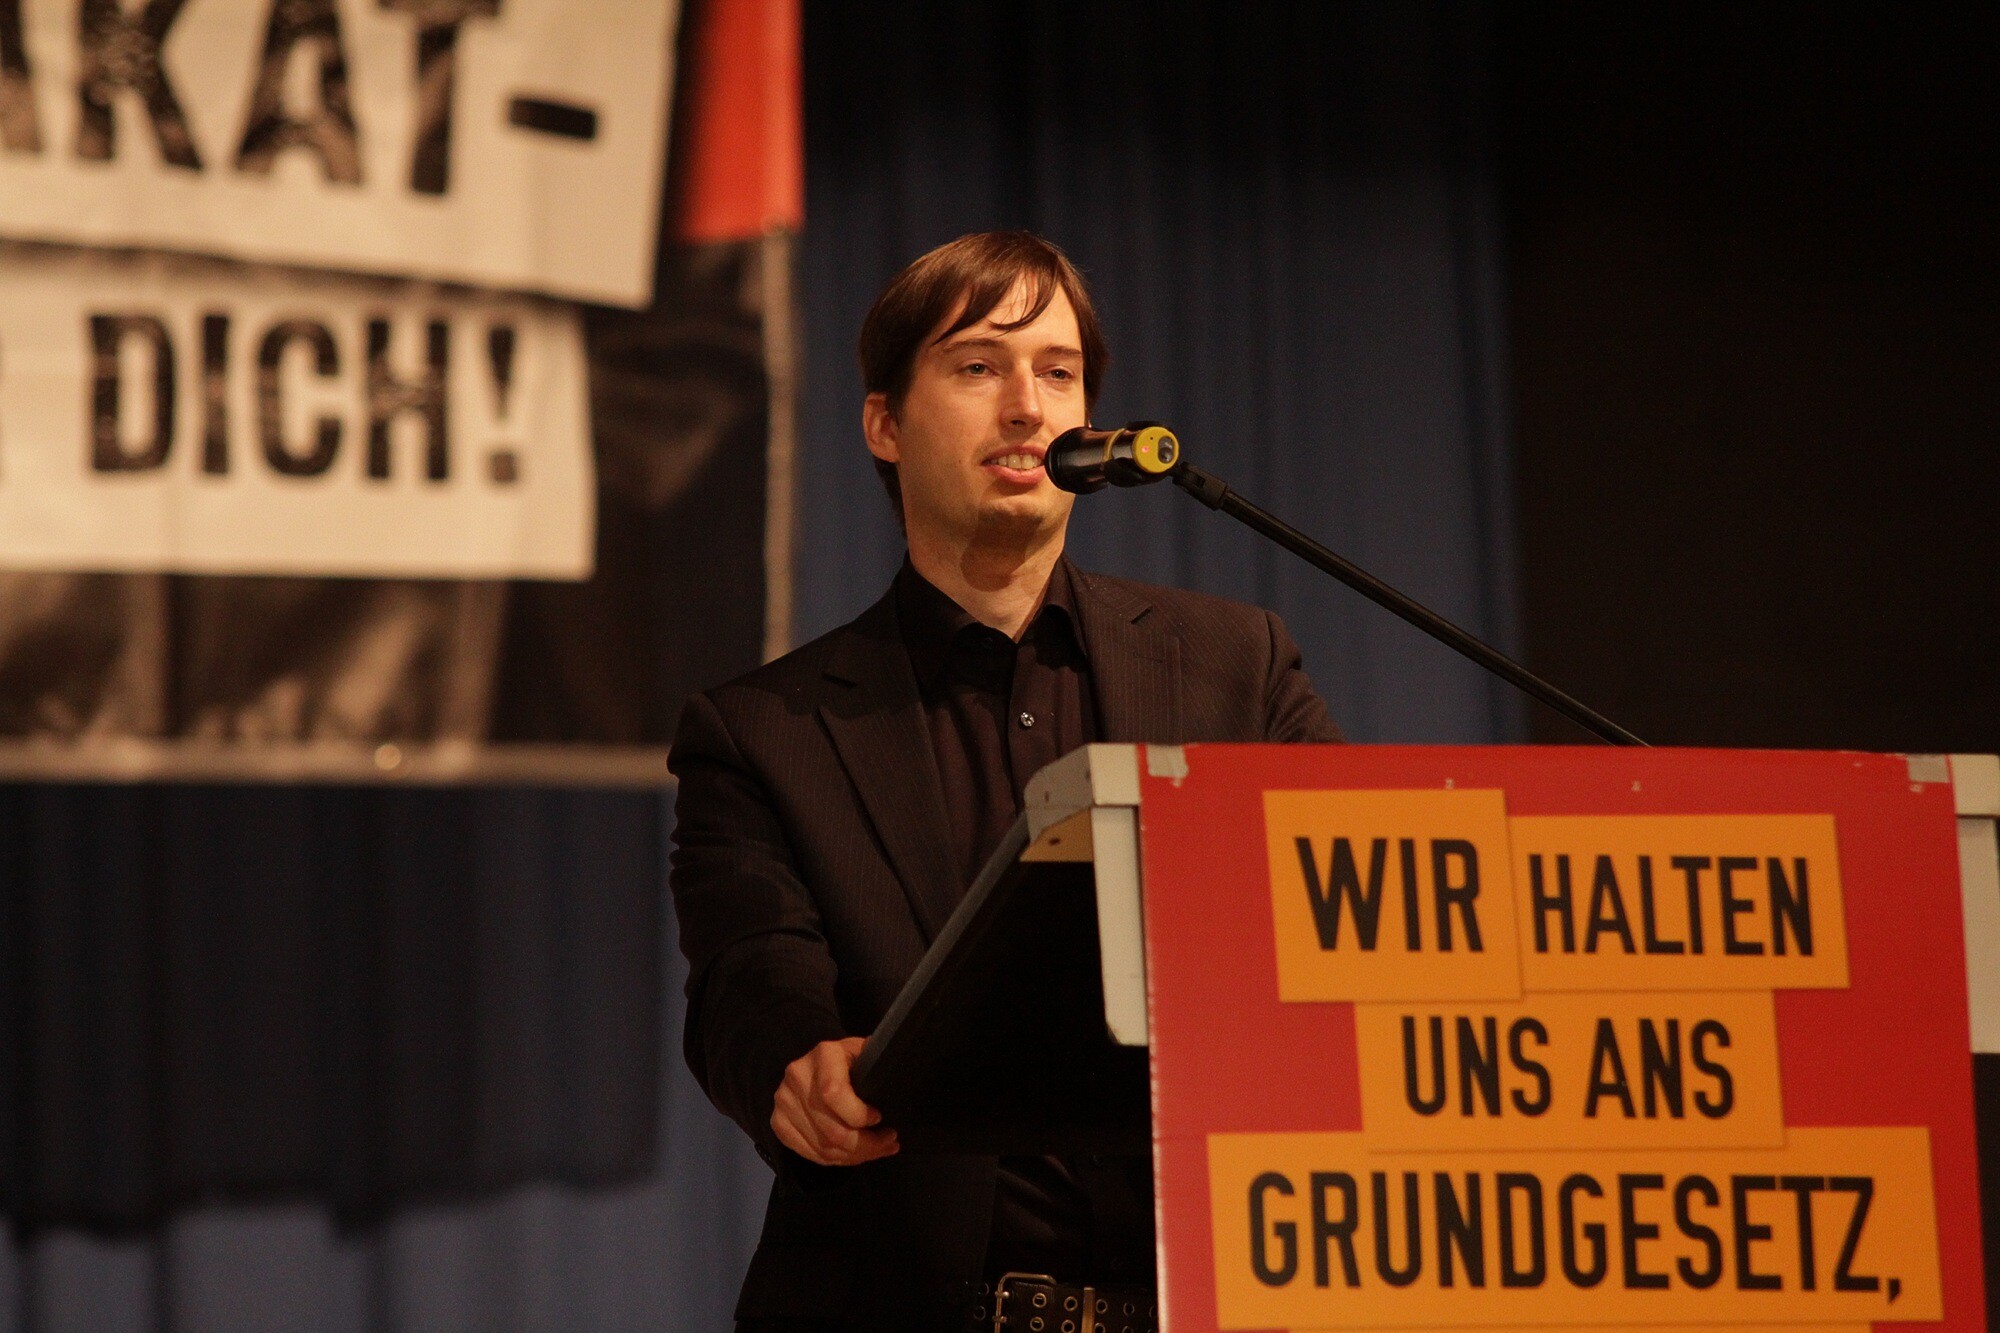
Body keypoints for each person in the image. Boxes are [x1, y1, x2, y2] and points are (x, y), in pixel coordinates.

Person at [669, 231, 1341, 1331]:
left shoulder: (1237, 667)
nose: (1028, 407)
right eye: (979, 366)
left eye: (1058, 372)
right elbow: (750, 968)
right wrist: (800, 1064)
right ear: (884, 424)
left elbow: (1347, 907)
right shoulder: (763, 732)